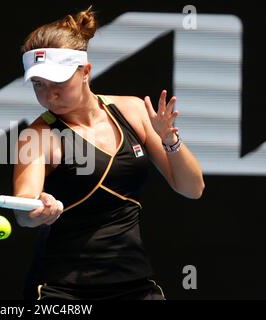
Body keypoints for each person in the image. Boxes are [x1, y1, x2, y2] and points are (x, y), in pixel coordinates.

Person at [12, 6, 205, 300]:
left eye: (59, 82)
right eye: (38, 84)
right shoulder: (37, 136)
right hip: (61, 291)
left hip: (135, 285)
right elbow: (23, 209)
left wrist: (170, 139)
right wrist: (37, 209)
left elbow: (192, 188)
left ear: (86, 71)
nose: (49, 94)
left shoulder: (133, 111)